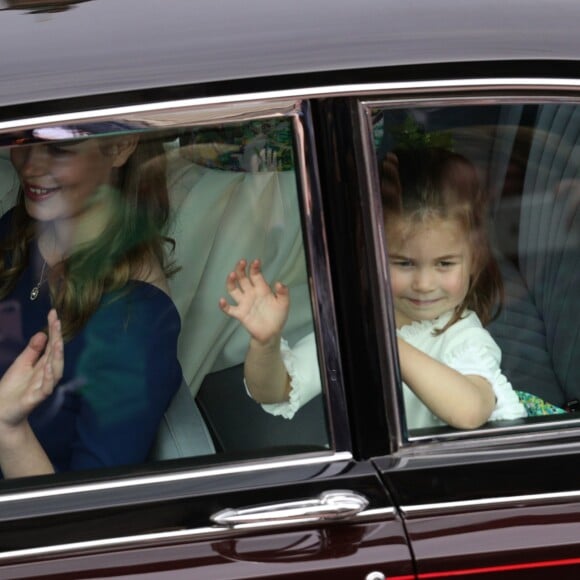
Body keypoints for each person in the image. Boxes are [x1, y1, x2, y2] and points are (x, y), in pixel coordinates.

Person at [220, 147, 531, 430]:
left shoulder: (463, 336)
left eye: (444, 264)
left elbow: (470, 412)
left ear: (474, 261)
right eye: (405, 263)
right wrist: (266, 343)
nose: (424, 284)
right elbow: (274, 390)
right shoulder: (355, 325)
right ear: (372, 258)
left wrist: (385, 341)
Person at [0, 126, 182, 477]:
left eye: (58, 149)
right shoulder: (19, 231)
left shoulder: (136, 322)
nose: (28, 166)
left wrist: (10, 430)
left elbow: (81, 517)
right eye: (22, 139)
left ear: (120, 147)